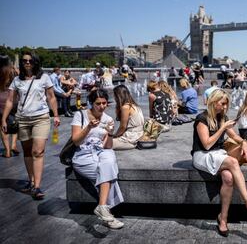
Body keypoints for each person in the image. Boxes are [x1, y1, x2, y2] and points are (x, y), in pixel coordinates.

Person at [192, 89, 247, 237]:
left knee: (228, 178)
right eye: (223, 104)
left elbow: (235, 136)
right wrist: (223, 128)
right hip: (202, 155)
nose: (225, 107)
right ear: (213, 102)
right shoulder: (202, 119)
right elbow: (206, 144)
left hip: (217, 155)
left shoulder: (222, 117)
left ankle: (223, 218)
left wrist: (244, 142)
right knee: (232, 161)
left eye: (227, 104)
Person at [1, 52, 60, 200]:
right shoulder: (17, 80)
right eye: (24, 61)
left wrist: (56, 114)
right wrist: (3, 119)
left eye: (30, 60)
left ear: (35, 62)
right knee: (27, 151)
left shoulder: (44, 78)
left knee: (38, 151)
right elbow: (10, 101)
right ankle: (31, 180)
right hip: (23, 119)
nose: (27, 63)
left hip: (41, 118)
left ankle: (37, 186)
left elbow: (51, 97)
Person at [71, 89, 124, 229]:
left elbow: (107, 146)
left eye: (104, 103)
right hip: (83, 155)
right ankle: (108, 216)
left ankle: (102, 207)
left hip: (100, 152)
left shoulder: (108, 119)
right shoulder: (80, 115)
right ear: (91, 103)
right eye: (98, 103)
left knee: (109, 158)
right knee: (108, 174)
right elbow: (76, 141)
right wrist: (88, 127)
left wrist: (111, 133)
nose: (101, 106)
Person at [111, 85, 145, 150]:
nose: (114, 98)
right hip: (139, 135)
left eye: (114, 95)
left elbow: (122, 127)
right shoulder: (134, 105)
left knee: (105, 143)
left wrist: (115, 135)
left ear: (118, 96)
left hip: (131, 139)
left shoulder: (125, 107)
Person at [0, 55, 19, 158]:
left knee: (2, 125)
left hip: (0, 100)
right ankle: (14, 145)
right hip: (12, 99)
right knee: (15, 123)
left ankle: (7, 151)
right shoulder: (12, 71)